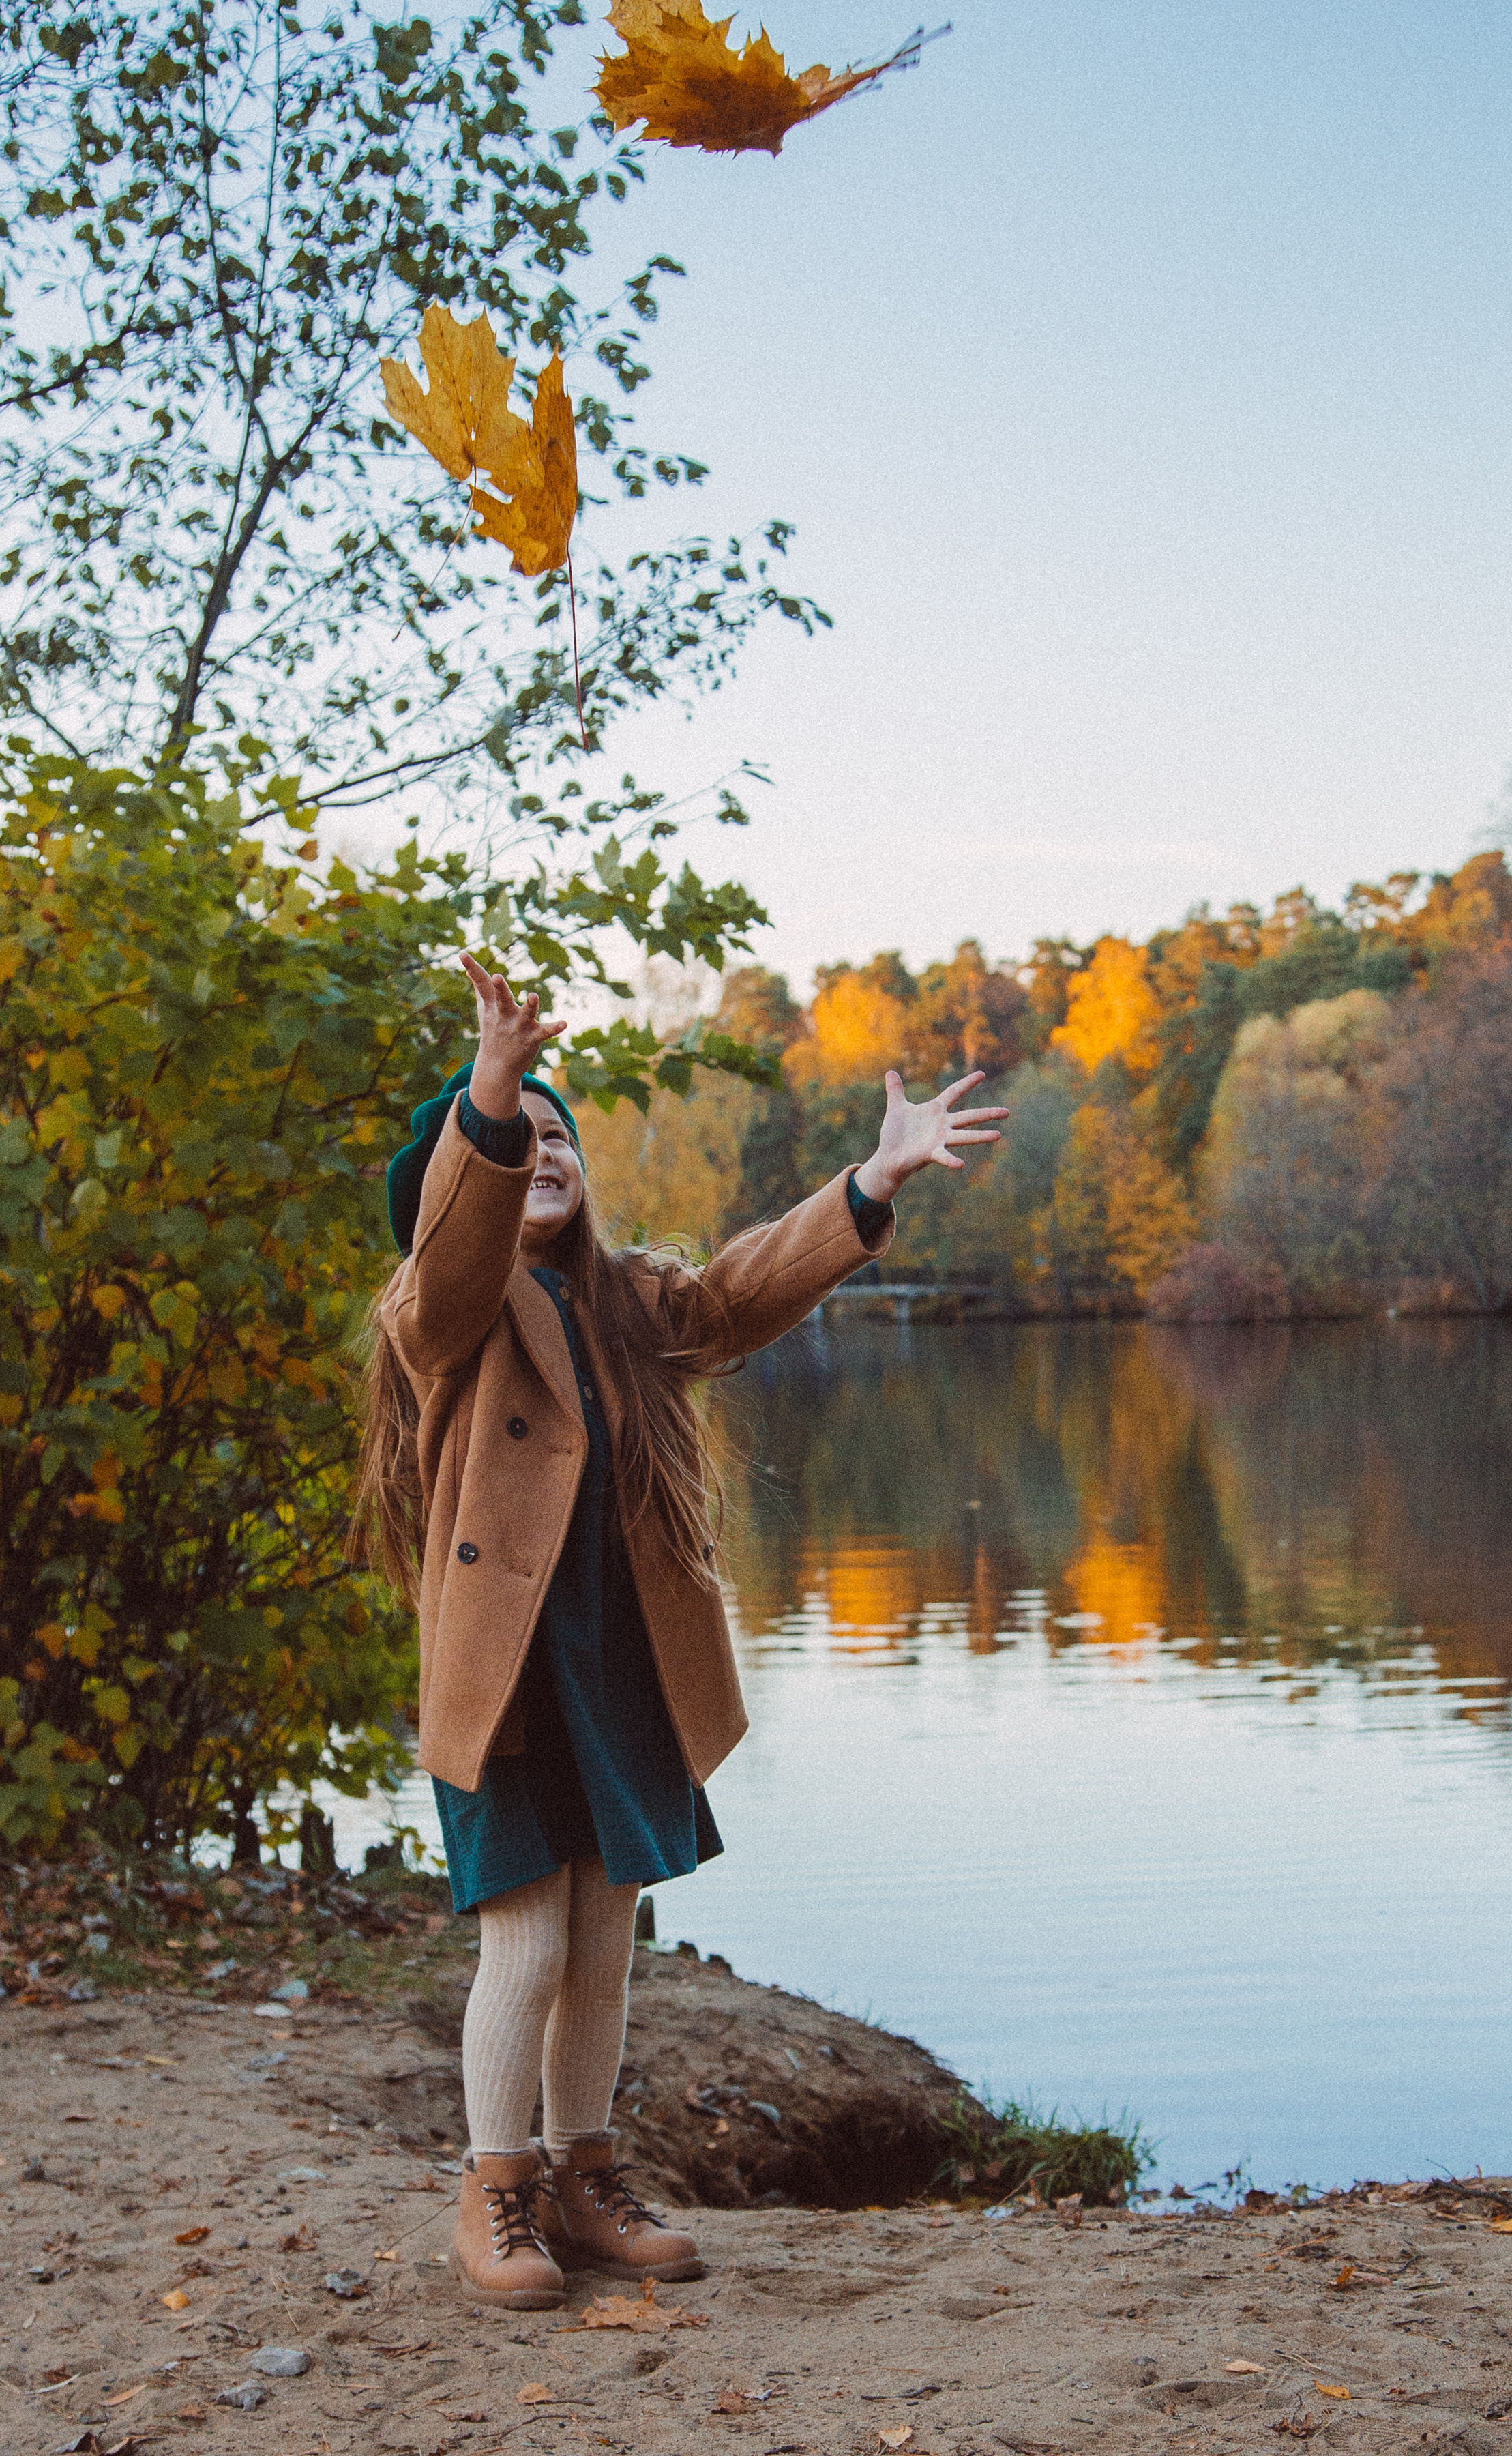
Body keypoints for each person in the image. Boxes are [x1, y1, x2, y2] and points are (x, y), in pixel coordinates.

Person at [353, 952, 1007, 2311]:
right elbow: (458, 1249)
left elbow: (743, 1293)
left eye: (554, 1136)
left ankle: (586, 2177)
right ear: (451, 1191)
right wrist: (486, 1088)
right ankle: (497, 2192)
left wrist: (870, 1184)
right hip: (510, 1676)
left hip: (621, 1668)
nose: (539, 1150)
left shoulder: (630, 1300)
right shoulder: (442, 1315)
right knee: (525, 1943)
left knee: (606, 1941)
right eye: (508, 1142)